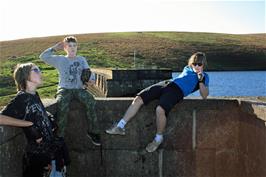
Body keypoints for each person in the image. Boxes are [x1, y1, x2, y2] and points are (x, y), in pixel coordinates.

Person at [106, 52, 209, 152]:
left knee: (160, 110)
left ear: (203, 65)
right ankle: (120, 126)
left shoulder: (204, 77)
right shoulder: (187, 68)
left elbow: (204, 95)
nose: (196, 66)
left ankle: (158, 139)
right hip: (167, 83)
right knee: (138, 98)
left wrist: (200, 81)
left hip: (178, 92)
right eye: (194, 64)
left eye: (199, 64)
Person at [0, 63, 70, 177]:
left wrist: (48, 117)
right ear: (26, 76)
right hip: (39, 158)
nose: (40, 72)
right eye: (36, 70)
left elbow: (35, 112)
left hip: (50, 154)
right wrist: (27, 124)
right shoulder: (22, 98)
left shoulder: (34, 95)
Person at [39, 36, 101, 146]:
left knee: (91, 101)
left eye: (74, 46)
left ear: (77, 47)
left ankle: (93, 132)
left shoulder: (81, 59)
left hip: (79, 89)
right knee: (62, 105)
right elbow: (43, 57)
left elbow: (88, 72)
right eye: (69, 46)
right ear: (65, 48)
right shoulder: (60, 60)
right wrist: (55, 47)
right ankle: (59, 135)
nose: (72, 48)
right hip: (64, 89)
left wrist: (91, 81)